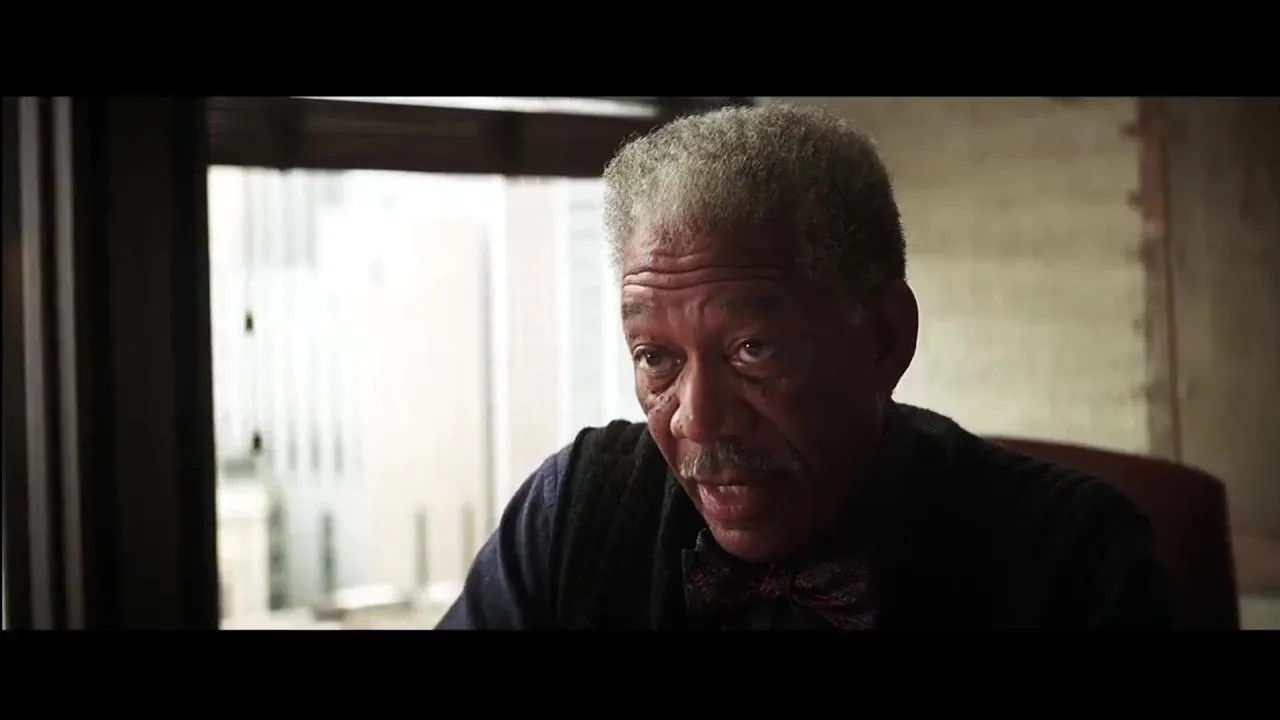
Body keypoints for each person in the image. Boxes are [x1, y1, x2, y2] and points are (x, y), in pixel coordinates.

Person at [437, 104, 1173, 630]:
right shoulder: (573, 514)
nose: (698, 419)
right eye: (656, 358)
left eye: (752, 349)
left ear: (884, 339)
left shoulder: (1070, 558)